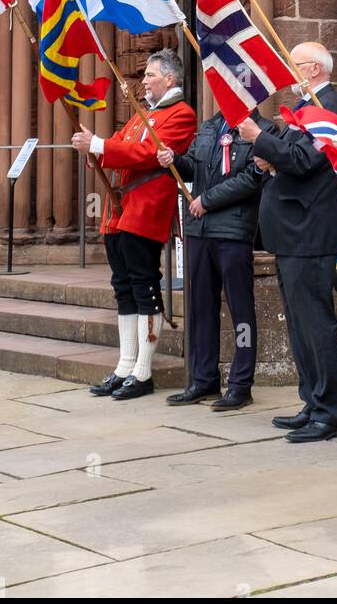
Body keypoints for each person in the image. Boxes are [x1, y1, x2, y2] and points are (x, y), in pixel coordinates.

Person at [237, 42, 337, 442]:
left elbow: (304, 161)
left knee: (315, 323)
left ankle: (331, 412)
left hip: (310, 231)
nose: (288, 72)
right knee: (299, 325)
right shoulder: (305, 109)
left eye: (294, 65)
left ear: (315, 69)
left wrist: (257, 137)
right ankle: (313, 401)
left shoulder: (329, 107)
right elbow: (290, 154)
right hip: (292, 233)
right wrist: (269, 156)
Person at [72, 49, 196, 400]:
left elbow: (144, 155)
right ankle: (125, 366)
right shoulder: (143, 116)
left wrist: (100, 144)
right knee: (122, 287)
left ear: (169, 79)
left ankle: (143, 373)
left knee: (144, 287)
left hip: (146, 210)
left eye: (151, 75)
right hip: (121, 211)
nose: (144, 81)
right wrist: (94, 148)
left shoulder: (181, 114)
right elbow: (120, 146)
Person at [157, 108, 270, 410]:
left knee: (241, 311)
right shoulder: (209, 127)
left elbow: (252, 178)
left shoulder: (262, 129)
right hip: (199, 230)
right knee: (200, 308)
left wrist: (208, 200)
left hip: (233, 230)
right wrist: (175, 161)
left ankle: (241, 383)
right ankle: (203, 379)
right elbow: (195, 168)